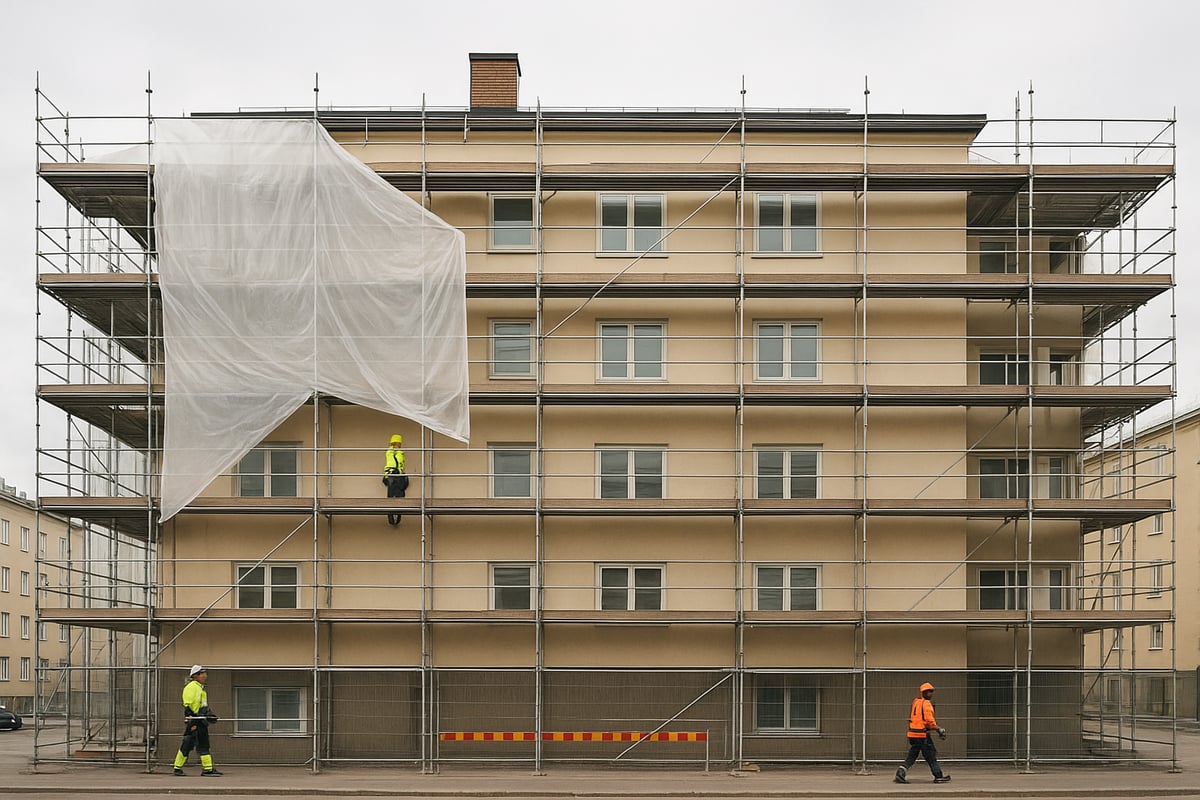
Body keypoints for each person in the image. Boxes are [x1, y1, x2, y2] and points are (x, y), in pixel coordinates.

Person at [895, 681, 950, 784]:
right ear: (924, 693)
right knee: (930, 755)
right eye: (929, 692)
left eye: (931, 692)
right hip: (922, 735)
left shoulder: (916, 702)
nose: (931, 694)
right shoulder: (926, 704)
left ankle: (900, 772)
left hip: (912, 734)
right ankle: (938, 776)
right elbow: (930, 721)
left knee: (912, 755)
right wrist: (939, 729)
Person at [172, 665, 222, 777]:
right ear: (195, 676)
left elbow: (202, 705)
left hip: (199, 720)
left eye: (205, 673)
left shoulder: (200, 688)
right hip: (196, 721)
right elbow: (188, 705)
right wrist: (194, 718)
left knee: (188, 744)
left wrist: (209, 715)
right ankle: (207, 769)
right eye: (202, 673)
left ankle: (178, 767)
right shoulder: (192, 687)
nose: (205, 676)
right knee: (202, 745)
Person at [383, 433, 408, 525]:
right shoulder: (391, 451)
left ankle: (397, 517)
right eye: (398, 443)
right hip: (393, 475)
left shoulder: (398, 452)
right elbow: (393, 462)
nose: (399, 445)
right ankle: (391, 518)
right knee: (392, 497)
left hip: (397, 475)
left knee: (399, 496)